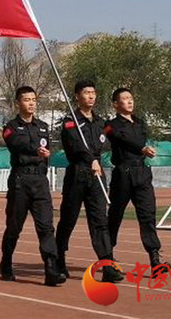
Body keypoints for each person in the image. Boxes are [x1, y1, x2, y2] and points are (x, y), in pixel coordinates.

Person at [55, 80, 123, 283]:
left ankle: (107, 264)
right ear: (77, 96)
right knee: (68, 219)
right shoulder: (70, 121)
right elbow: (74, 145)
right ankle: (59, 258)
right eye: (86, 92)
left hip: (96, 176)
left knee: (100, 221)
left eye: (93, 92)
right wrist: (90, 159)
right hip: (78, 174)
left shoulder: (101, 122)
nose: (91, 96)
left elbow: (109, 143)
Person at [0, 86, 66, 286]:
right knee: (14, 226)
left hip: (40, 181)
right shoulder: (10, 127)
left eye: (33, 99)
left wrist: (42, 157)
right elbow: (16, 144)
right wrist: (36, 150)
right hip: (21, 181)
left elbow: (47, 150)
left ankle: (51, 268)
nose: (31, 103)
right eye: (26, 99)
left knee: (46, 226)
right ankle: (7, 262)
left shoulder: (43, 126)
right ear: (17, 103)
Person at [104, 88, 171, 278]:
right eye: (124, 99)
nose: (129, 102)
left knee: (147, 215)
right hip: (123, 174)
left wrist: (141, 149)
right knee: (115, 216)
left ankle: (155, 260)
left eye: (131, 98)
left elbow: (137, 138)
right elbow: (122, 139)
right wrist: (141, 148)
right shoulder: (110, 125)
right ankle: (108, 257)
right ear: (115, 104)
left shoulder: (140, 122)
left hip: (142, 172)